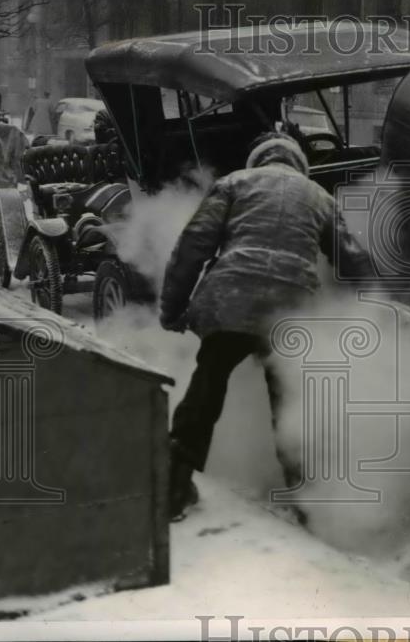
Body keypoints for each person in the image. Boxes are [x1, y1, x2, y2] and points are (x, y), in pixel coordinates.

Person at [159, 132, 371, 521]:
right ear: (297, 163)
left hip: (230, 300)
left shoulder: (234, 183)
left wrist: (172, 309)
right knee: (289, 401)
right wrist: (378, 305)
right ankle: (306, 502)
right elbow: (352, 259)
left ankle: (174, 487)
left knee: (208, 385)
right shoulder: (318, 196)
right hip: (288, 313)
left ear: (258, 160)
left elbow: (192, 246)